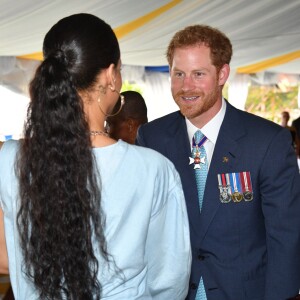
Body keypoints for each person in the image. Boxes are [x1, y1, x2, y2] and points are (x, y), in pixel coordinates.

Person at [0, 13, 191, 299]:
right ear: (110, 76)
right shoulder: (154, 170)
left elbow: (6, 258)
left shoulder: (10, 159)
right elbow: (170, 279)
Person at [136, 24, 300, 300]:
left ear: (222, 74)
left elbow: (286, 236)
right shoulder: (152, 138)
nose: (186, 86)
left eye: (198, 74)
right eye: (178, 74)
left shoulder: (267, 142)